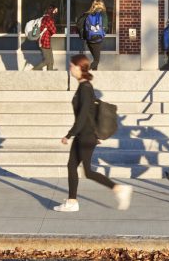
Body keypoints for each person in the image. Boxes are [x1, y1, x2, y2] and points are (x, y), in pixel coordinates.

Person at [54, 53, 132, 213]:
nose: (70, 68)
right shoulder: (84, 86)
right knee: (73, 167)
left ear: (80, 68)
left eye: (72, 65)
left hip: (85, 135)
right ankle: (72, 201)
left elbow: (83, 115)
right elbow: (89, 113)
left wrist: (69, 134)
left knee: (87, 171)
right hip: (86, 134)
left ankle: (118, 189)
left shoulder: (85, 88)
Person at [79, 0, 108, 67]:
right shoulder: (103, 14)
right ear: (102, 5)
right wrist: (103, 33)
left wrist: (84, 36)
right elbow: (105, 27)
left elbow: (79, 25)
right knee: (96, 60)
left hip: (89, 39)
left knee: (95, 58)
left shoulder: (87, 14)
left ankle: (94, 75)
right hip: (97, 39)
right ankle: (84, 71)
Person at [36, 6, 59, 71]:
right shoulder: (49, 19)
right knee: (47, 61)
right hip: (44, 41)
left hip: (46, 41)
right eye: (55, 11)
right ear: (51, 11)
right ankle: (34, 70)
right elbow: (53, 30)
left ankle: (50, 76)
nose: (56, 13)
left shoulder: (44, 18)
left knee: (51, 61)